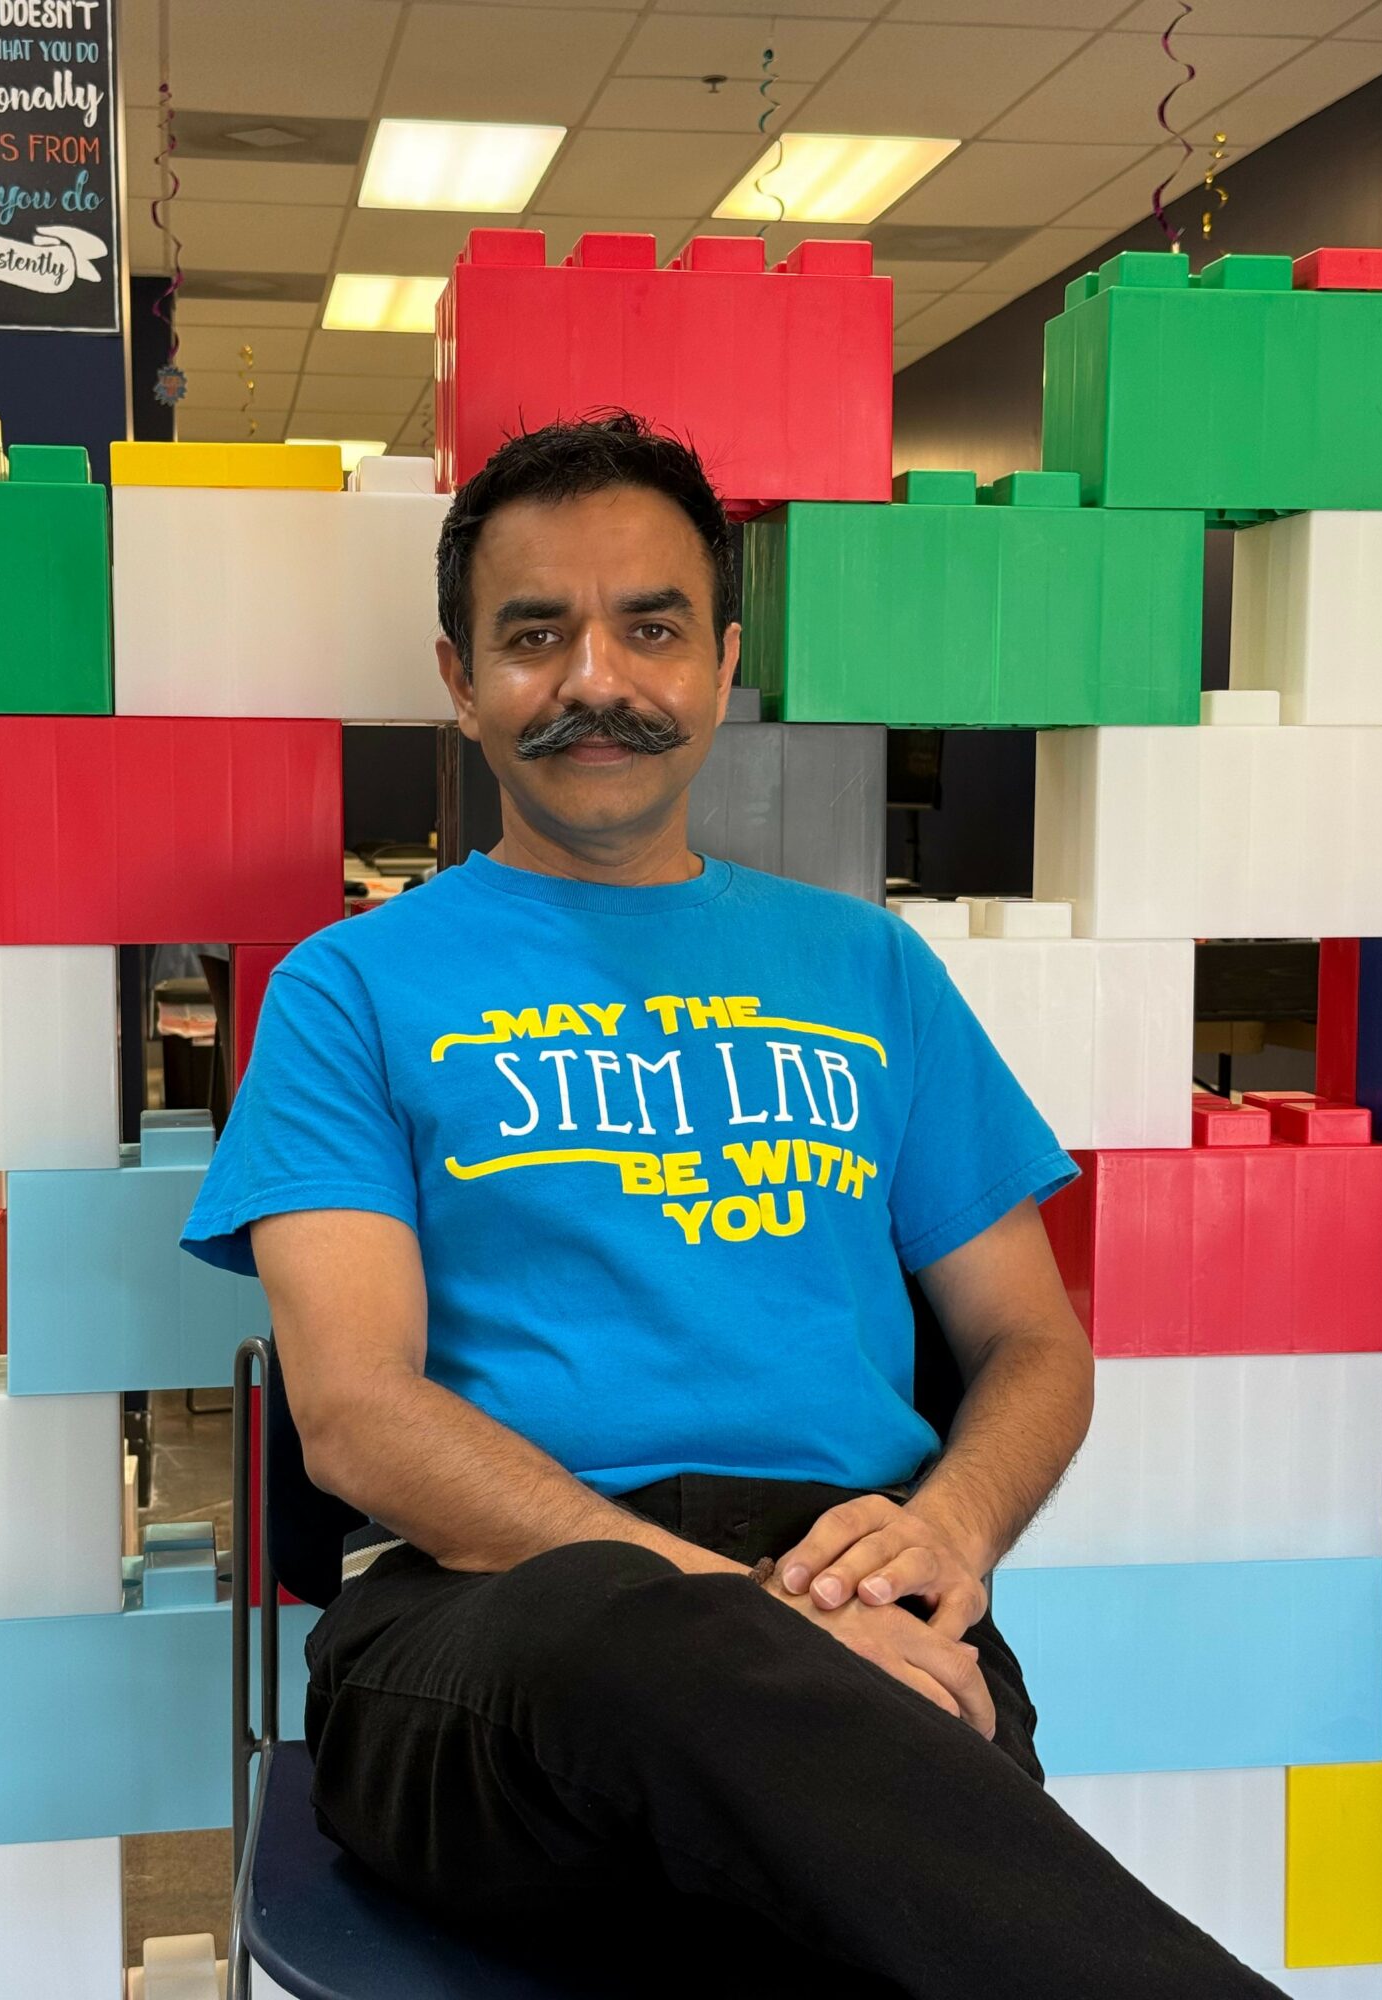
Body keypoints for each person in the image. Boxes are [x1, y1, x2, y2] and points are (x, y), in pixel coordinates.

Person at [182, 414, 1282, 1997]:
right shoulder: (353, 986)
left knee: (837, 1892)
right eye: (533, 635)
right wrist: (755, 1621)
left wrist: (946, 1537)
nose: (595, 682)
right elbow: (354, 1414)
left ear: (721, 662)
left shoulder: (872, 972)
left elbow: (1033, 1344)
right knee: (676, 1675)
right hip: (499, 1630)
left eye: (650, 627)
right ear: (459, 678)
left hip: (861, 1591)